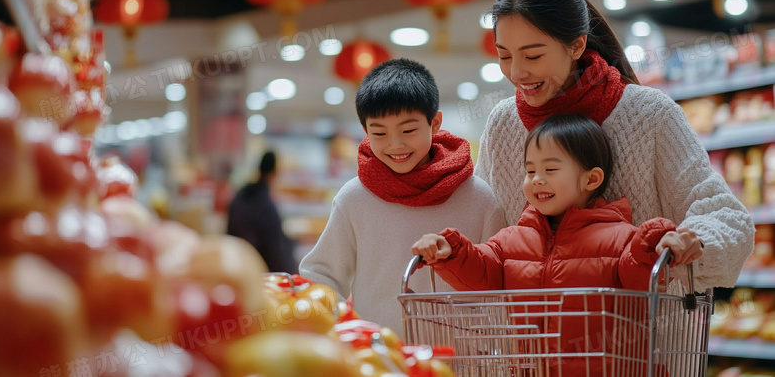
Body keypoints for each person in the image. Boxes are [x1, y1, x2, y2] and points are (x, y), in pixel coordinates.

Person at [474, 0, 754, 291]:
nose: (517, 73)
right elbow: (481, 223)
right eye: (504, 56)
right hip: (533, 336)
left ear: (576, 45)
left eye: (533, 55)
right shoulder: (503, 123)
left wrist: (692, 240)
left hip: (642, 334)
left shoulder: (649, 115)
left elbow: (726, 216)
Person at [412, 113, 698, 375]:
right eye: (530, 171)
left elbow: (640, 277)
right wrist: (450, 250)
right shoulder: (511, 239)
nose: (536, 180)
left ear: (592, 179)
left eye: (550, 169)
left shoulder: (622, 239)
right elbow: (481, 270)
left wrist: (653, 244)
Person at [299, 58, 507, 338]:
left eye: (408, 130)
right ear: (365, 132)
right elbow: (320, 274)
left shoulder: (478, 197)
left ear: (434, 124)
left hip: (462, 362)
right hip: (379, 362)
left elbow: (500, 282)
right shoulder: (354, 198)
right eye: (380, 133)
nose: (395, 144)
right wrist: (346, 332)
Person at [227, 151, 296, 273]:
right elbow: (276, 252)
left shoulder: (242, 193)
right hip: (259, 269)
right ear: (274, 173)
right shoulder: (266, 205)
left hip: (234, 262)